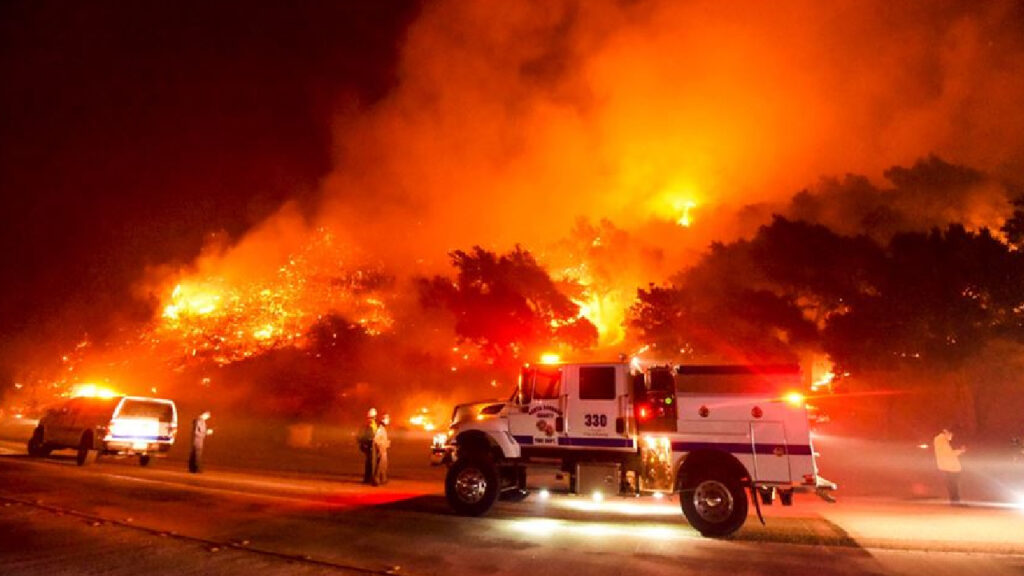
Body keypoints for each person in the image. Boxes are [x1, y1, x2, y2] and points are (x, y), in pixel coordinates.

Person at [933, 427, 966, 505]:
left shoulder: (940, 441)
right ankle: (955, 501)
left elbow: (947, 453)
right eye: (951, 434)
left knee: (951, 485)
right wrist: (960, 451)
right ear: (946, 432)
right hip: (950, 467)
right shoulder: (942, 441)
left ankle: (954, 501)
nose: (951, 436)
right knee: (953, 485)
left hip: (947, 466)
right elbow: (949, 453)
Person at [357, 408, 378, 484]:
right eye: (370, 418)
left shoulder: (375, 425)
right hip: (368, 446)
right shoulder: (366, 426)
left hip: (374, 446)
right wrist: (364, 444)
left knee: (372, 463)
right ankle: (367, 479)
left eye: (373, 417)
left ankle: (370, 478)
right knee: (369, 463)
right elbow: (360, 437)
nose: (372, 419)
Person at [373, 413, 391, 486]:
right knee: (380, 465)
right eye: (387, 419)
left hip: (384, 449)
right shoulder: (380, 429)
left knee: (384, 465)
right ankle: (376, 480)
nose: (388, 420)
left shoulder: (383, 429)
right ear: (383, 420)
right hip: (381, 450)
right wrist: (381, 447)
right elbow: (376, 440)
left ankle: (383, 479)